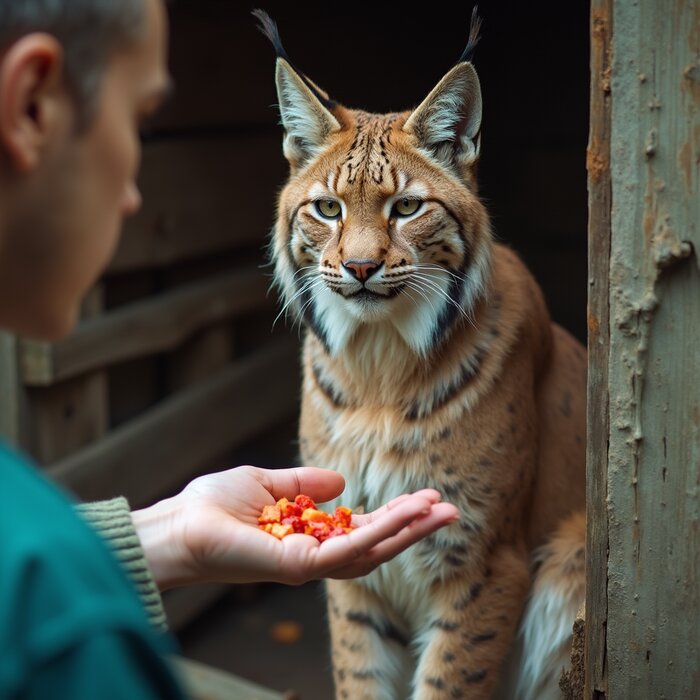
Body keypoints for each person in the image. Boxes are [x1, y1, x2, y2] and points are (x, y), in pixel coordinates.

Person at [0, 0, 460, 697]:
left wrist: (174, 532)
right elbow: (38, 587)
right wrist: (73, 584)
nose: (132, 196)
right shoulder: (65, 629)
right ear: (31, 107)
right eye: (142, 120)